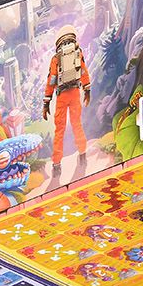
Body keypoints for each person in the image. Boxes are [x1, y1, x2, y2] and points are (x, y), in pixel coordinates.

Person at [43, 25, 90, 177]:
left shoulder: (56, 59)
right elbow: (83, 72)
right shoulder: (78, 53)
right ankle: (83, 155)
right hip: (75, 93)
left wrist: (46, 101)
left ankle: (57, 164)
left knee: (60, 130)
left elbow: (52, 80)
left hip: (62, 96)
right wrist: (87, 89)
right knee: (77, 124)